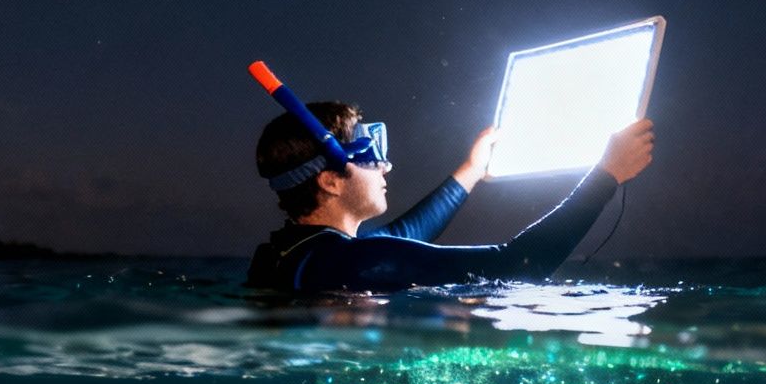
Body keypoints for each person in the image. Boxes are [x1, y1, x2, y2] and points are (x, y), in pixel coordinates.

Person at [247, 101, 654, 292]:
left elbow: (402, 238)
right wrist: (606, 176)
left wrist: (471, 171)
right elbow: (517, 264)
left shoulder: (300, 254)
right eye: (370, 155)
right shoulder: (348, 262)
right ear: (330, 181)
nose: (385, 166)